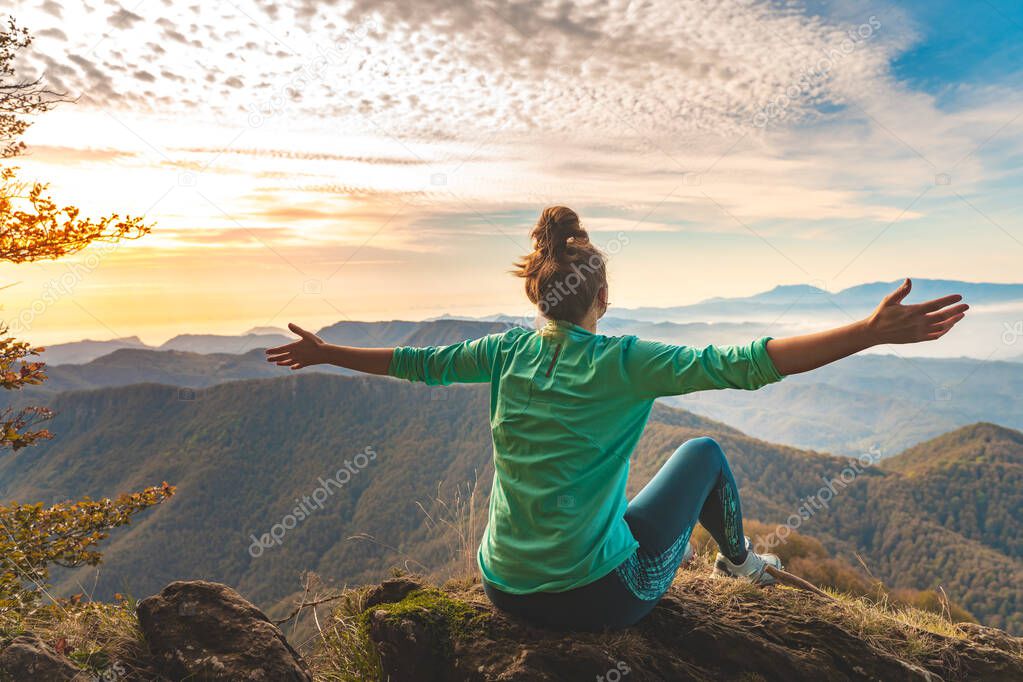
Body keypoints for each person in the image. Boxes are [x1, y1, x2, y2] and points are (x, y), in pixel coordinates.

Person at [265, 205, 968, 631]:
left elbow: (416, 363)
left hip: (500, 585)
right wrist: (865, 332)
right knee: (702, 455)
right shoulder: (627, 360)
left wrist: (328, 352)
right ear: (601, 293)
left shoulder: (504, 350)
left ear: (539, 297)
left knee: (623, 499)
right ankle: (741, 566)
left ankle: (729, 564)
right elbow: (748, 361)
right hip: (590, 599)